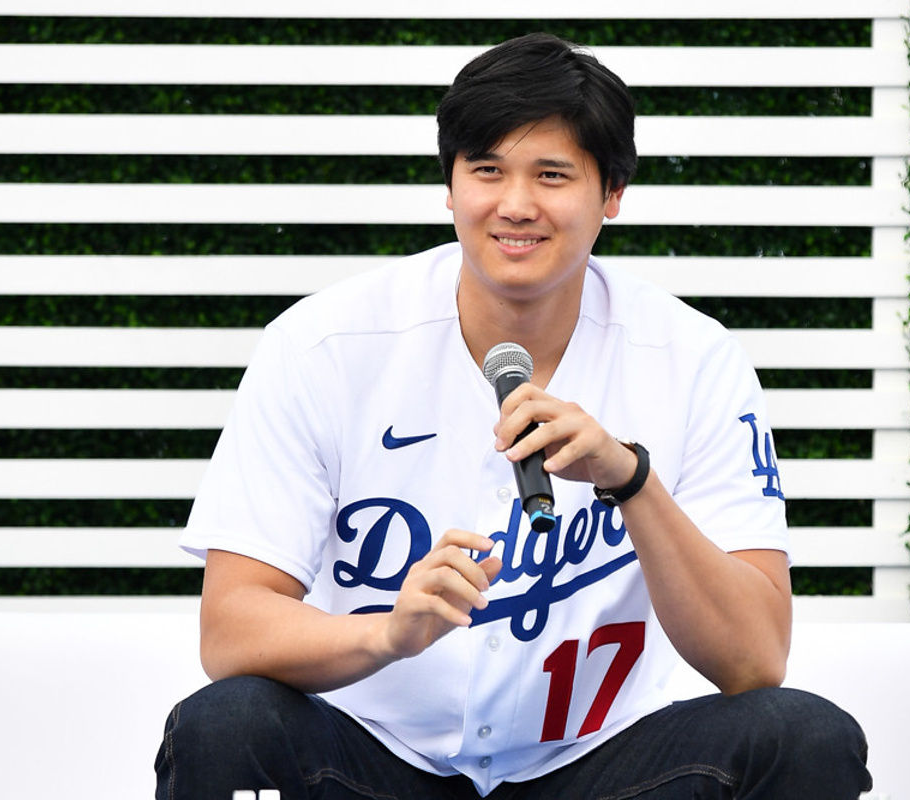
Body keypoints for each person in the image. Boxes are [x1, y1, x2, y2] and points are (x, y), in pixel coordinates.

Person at [155, 32, 871, 800]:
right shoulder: (323, 345)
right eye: (486, 170)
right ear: (451, 186)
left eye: (552, 174)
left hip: (598, 769)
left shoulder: (693, 356)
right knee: (223, 726)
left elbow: (755, 660)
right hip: (376, 764)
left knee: (806, 738)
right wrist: (388, 634)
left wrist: (630, 480)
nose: (515, 204)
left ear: (613, 194)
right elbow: (231, 630)